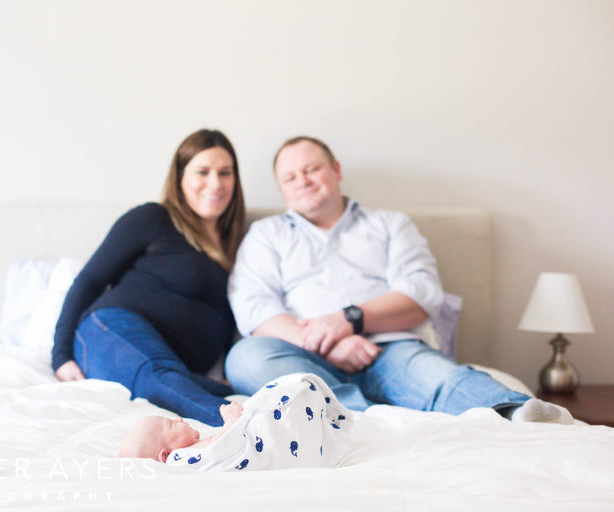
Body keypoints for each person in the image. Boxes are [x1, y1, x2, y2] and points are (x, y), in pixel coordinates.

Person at [225, 135, 573, 424]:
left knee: (438, 377)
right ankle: (360, 420)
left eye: (312, 168)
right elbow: (254, 307)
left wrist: (348, 320)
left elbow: (422, 294)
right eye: (290, 177)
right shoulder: (265, 235)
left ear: (336, 169)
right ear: (281, 189)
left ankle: (519, 414)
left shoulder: (391, 225)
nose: (302, 181)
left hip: (390, 350)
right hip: (301, 357)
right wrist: (328, 342)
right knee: (244, 358)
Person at [51, 129, 246, 427]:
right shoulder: (153, 218)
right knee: (157, 376)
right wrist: (61, 355)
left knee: (233, 392)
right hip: (112, 330)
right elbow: (89, 280)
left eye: (225, 172)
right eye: (202, 172)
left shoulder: (240, 245)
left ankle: (254, 418)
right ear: (180, 177)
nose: (215, 183)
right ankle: (246, 428)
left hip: (176, 366)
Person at [120, 373, 353, 472]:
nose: (179, 418)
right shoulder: (179, 459)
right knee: (279, 401)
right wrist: (232, 421)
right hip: (267, 446)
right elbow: (220, 449)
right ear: (165, 454)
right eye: (171, 425)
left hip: (259, 440)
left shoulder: (190, 451)